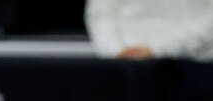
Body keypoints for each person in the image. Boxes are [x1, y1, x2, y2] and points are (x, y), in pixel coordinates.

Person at [84, 0, 213, 60]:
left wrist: (156, 49)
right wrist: (114, 51)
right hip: (129, 68)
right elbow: (101, 13)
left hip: (194, 63)